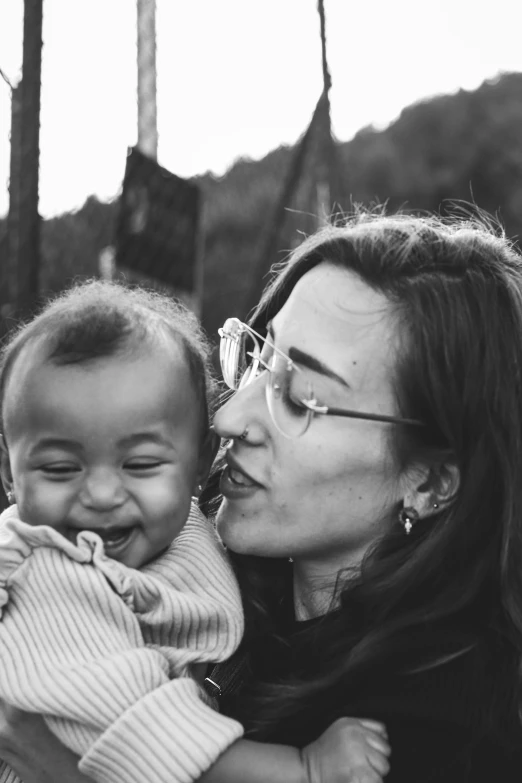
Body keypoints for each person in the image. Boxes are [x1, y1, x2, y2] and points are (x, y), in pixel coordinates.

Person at [4, 208, 522, 781]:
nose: (230, 415)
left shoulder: (439, 734)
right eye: (257, 358)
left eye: (300, 398)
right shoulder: (191, 572)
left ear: (429, 482)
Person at [0, 280, 390, 783]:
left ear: (199, 461)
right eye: (58, 469)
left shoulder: (187, 529)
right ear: (10, 475)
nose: (99, 494)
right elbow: (147, 734)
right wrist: (303, 769)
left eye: (139, 464)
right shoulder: (51, 580)